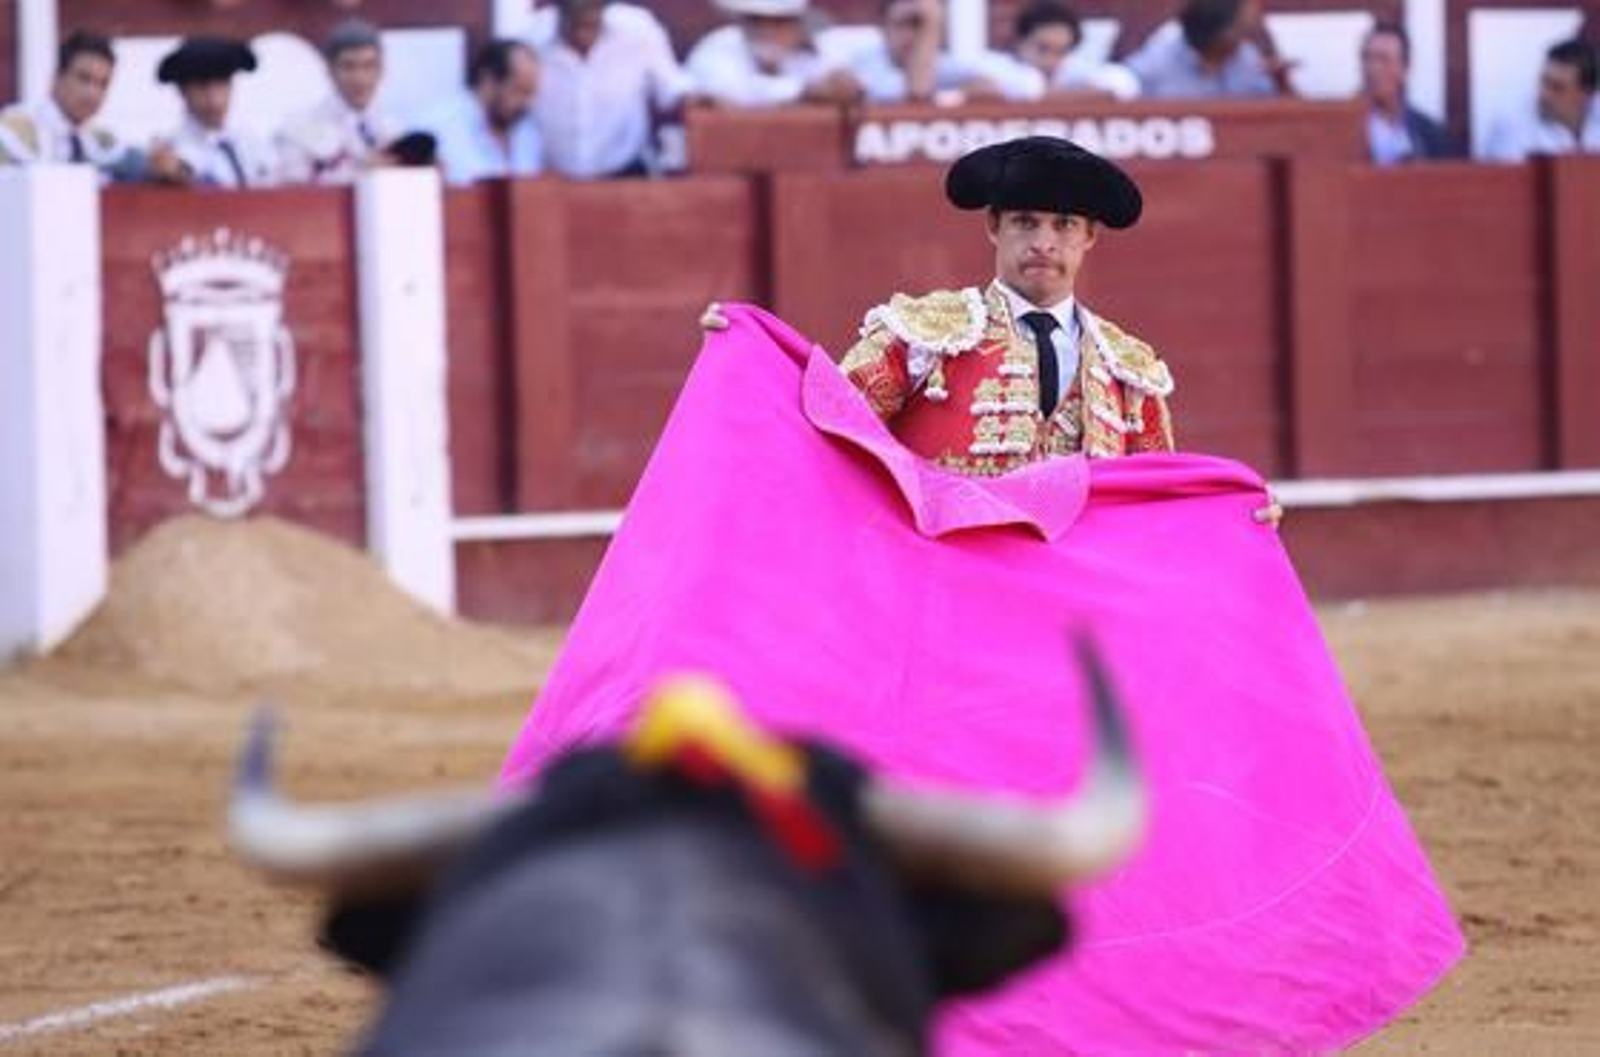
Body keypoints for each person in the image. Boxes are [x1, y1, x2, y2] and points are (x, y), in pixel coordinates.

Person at [703, 135, 1282, 522]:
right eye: (1026, 222)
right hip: (944, 579)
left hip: (1068, 595)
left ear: (1089, 236)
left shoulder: (1128, 368)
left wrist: (1234, 516)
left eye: (1064, 224)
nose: (1044, 242)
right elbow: (824, 423)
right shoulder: (925, 336)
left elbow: (1161, 501)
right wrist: (743, 361)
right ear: (994, 227)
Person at [528, 0, 693, 178]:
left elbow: (671, 85)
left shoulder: (637, 28)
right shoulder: (532, 37)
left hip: (625, 173)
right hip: (552, 178)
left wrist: (695, 99)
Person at [0, 30, 181, 181]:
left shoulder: (99, 140)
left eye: (103, 84)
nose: (92, 93)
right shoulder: (12, 131)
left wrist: (164, 166)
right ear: (57, 77)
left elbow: (148, 166)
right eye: (84, 79)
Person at [275, 18, 402, 184]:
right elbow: (291, 189)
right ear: (329, 70)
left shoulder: (393, 129)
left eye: (369, 66)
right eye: (348, 66)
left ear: (381, 70)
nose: (360, 79)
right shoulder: (298, 129)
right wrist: (359, 173)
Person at [846, 0, 1041, 104]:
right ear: (883, 27)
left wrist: (972, 91)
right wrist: (931, 22)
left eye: (919, 25)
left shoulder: (945, 63)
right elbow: (916, 94)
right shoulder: (864, 63)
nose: (913, 36)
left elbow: (1029, 86)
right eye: (903, 25)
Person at [685, 0, 865, 108]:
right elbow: (734, 93)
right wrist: (804, 92)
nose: (767, 31)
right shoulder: (719, 46)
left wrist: (841, 86)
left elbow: (837, 83)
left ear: (798, 25)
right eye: (757, 20)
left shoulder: (808, 54)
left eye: (780, 22)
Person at [156, 36, 280, 188]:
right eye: (202, 87)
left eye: (221, 85)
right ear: (182, 91)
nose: (214, 100)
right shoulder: (174, 148)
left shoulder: (250, 141)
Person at [416, 39, 543, 185]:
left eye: (531, 93)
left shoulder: (528, 133)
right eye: (519, 91)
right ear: (488, 80)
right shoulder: (439, 127)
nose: (526, 103)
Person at [1123, 0, 1294, 99]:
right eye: (1239, 29)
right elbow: (1120, 86)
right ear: (1221, 33)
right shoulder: (1158, 62)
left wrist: (1281, 83)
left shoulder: (1248, 59)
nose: (1244, 34)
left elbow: (1281, 119)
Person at [1481, 38, 1599, 162]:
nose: (1544, 93)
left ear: (1586, 94)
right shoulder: (1511, 123)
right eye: (1544, 81)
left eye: (1557, 87)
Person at [1006, 0, 1140, 101]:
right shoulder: (1001, 67)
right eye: (1043, 49)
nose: (1050, 60)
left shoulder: (1075, 71)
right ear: (1020, 42)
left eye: (1061, 51)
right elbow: (1026, 89)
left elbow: (1123, 85)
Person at [1359, 22, 1453, 165]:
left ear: (1405, 68)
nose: (1373, 68)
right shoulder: (1342, 128)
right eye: (1367, 58)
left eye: (1383, 60)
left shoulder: (1429, 134)